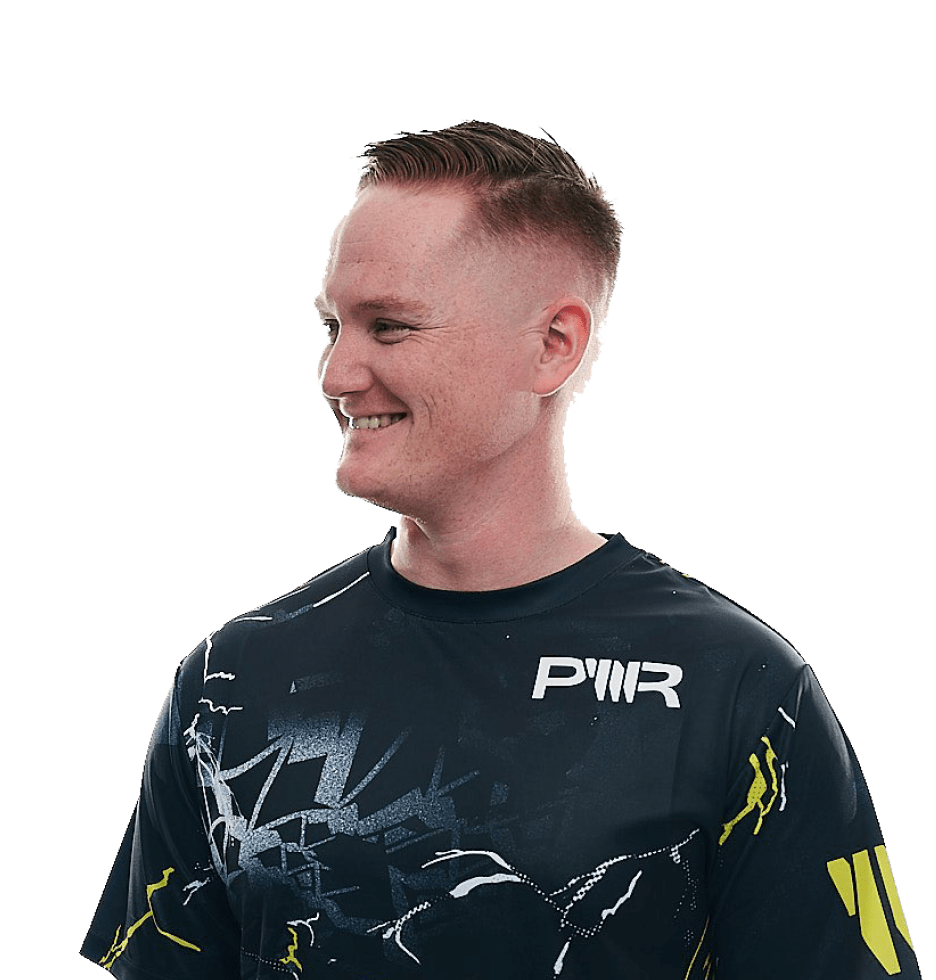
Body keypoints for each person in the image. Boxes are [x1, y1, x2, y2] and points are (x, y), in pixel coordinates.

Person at [80, 121, 922, 979]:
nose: (335, 374)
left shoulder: (735, 685)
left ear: (553, 345)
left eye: (389, 326)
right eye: (333, 325)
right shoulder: (232, 679)